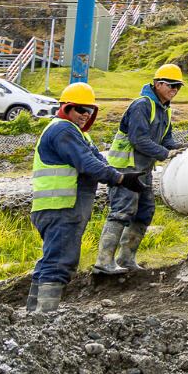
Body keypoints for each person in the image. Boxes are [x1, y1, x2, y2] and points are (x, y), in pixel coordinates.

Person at [29, 82, 142, 315]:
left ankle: (33, 314)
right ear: (67, 108)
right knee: (60, 261)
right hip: (61, 206)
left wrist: (119, 175)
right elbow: (87, 164)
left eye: (89, 111)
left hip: (58, 207)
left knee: (50, 258)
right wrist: (120, 179)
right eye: (81, 110)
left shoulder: (77, 134)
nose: (85, 115)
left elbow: (98, 162)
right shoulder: (63, 131)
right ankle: (44, 316)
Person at [93, 63, 186, 274]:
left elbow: (167, 138)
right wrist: (165, 153)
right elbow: (138, 139)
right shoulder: (142, 105)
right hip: (125, 170)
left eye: (178, 87)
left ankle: (126, 259)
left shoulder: (164, 108)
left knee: (144, 212)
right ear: (158, 83)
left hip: (143, 170)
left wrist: (179, 148)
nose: (175, 90)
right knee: (122, 211)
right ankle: (103, 261)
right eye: (171, 85)